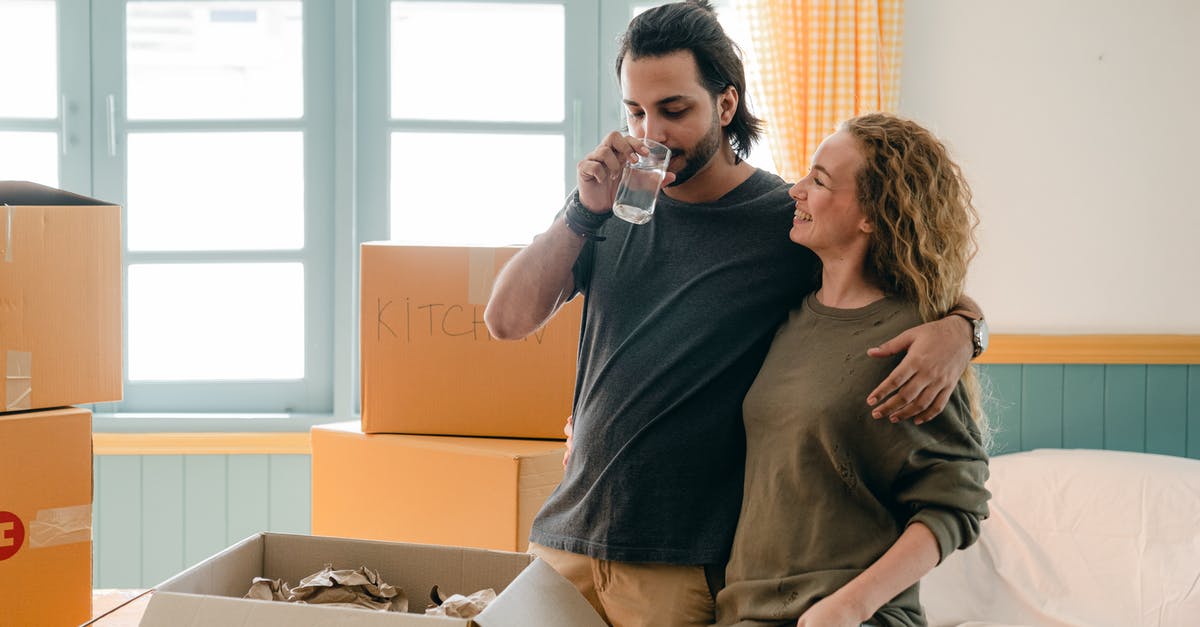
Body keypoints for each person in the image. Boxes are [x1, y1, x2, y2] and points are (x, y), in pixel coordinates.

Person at [484, 2, 985, 625]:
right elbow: (504, 321)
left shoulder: (787, 222)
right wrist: (583, 212)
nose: (652, 134)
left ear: (725, 105)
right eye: (636, 111)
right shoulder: (605, 205)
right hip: (565, 536)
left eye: (674, 110)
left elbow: (895, 276)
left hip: (677, 560)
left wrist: (965, 327)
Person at [714, 113, 991, 627]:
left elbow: (958, 502)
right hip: (744, 612)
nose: (795, 190)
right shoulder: (787, 315)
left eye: (819, 181)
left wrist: (849, 606)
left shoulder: (913, 340)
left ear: (871, 215)